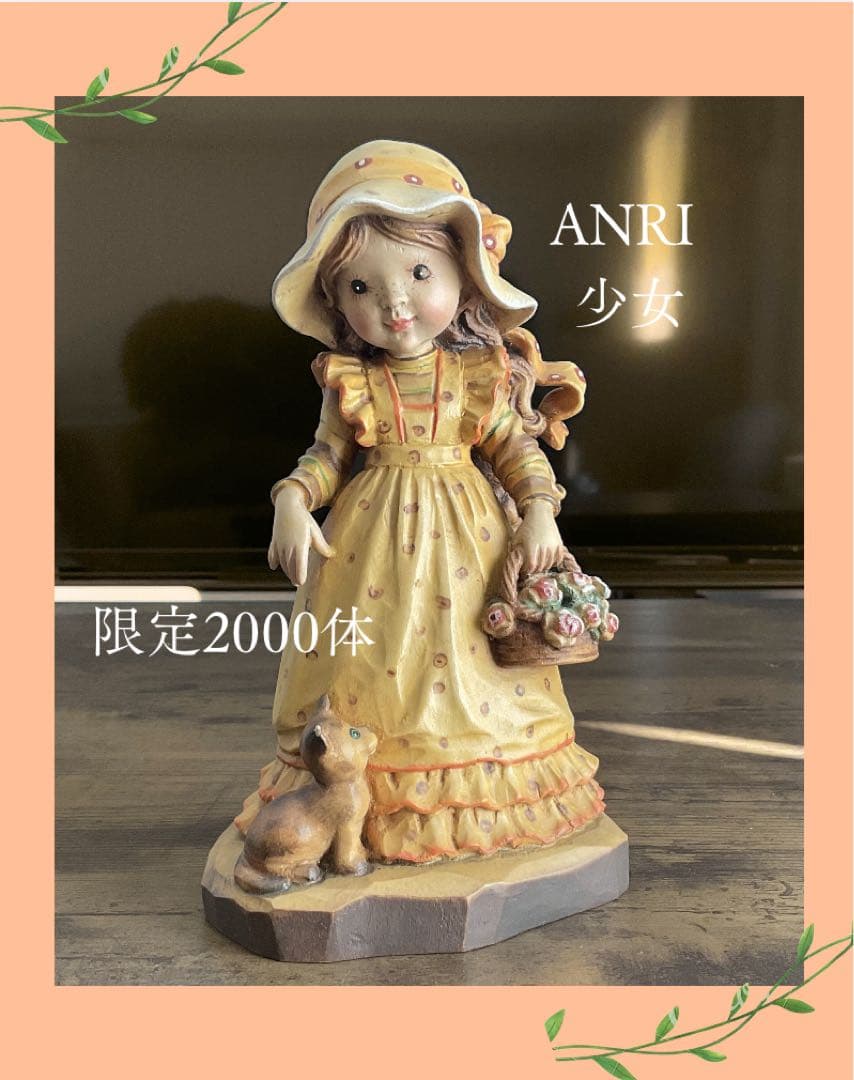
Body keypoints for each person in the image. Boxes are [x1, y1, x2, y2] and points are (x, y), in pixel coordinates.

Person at [235, 140, 606, 863]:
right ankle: (358, 796)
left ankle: (475, 791)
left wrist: (538, 512)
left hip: (470, 545)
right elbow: (326, 458)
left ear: (465, 279)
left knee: (469, 664)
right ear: (338, 302)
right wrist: (292, 501)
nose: (395, 302)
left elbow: (516, 451)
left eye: (419, 272)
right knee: (373, 671)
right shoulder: (350, 380)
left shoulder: (479, 375)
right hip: (368, 548)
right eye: (361, 287)